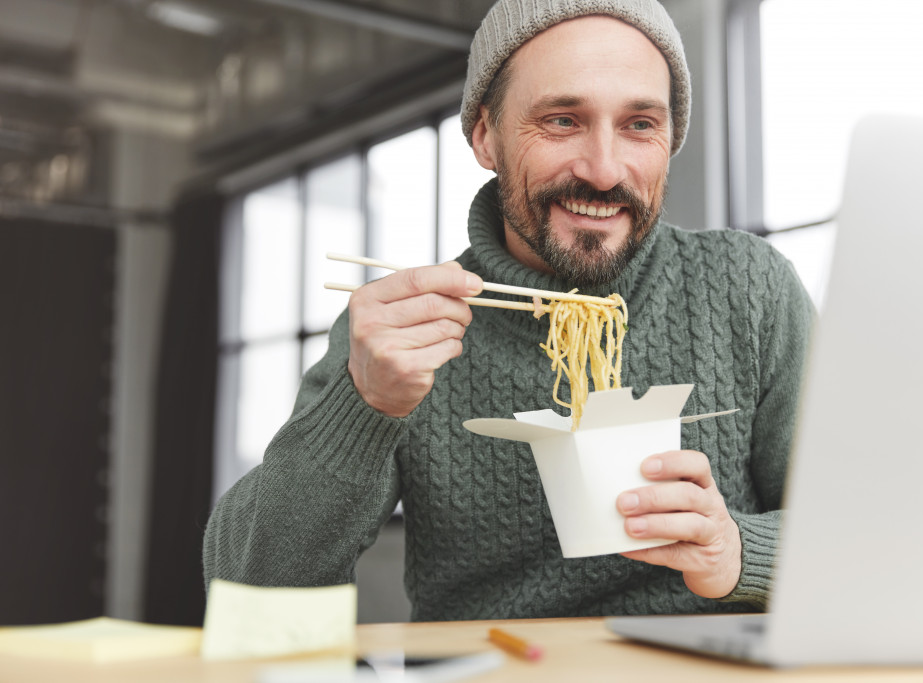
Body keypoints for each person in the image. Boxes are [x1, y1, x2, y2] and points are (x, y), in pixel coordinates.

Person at [204, 0, 814, 620]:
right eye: (561, 121)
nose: (604, 171)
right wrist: (364, 406)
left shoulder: (747, 288)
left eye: (639, 125)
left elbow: (872, 532)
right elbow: (248, 592)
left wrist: (741, 550)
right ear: (485, 136)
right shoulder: (403, 330)